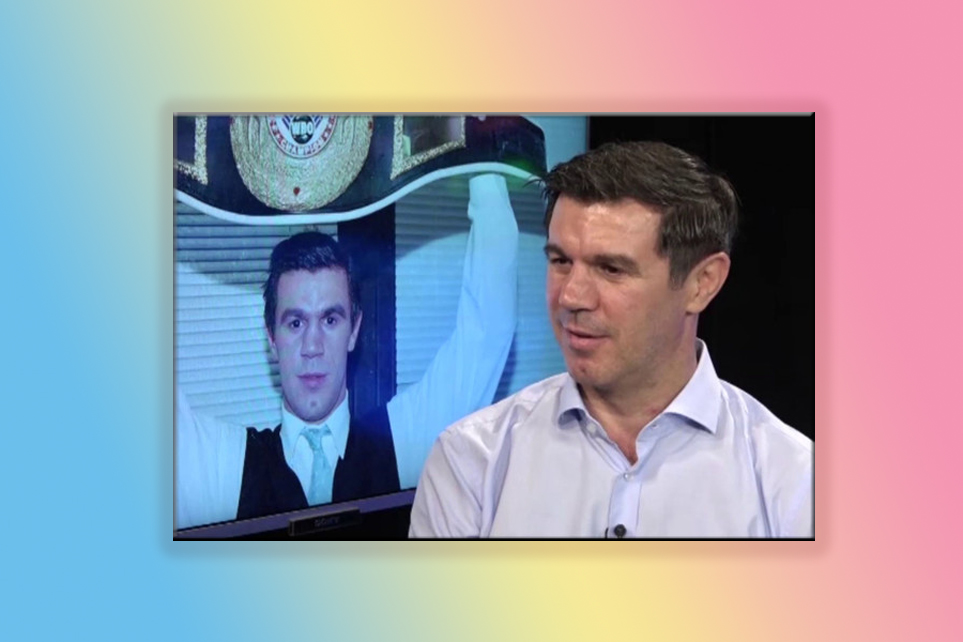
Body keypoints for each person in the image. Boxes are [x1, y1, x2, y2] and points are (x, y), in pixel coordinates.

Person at [409, 141, 813, 538]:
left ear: (701, 283)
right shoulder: (470, 462)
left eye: (611, 269)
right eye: (560, 261)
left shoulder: (794, 484)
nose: (571, 297)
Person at [176, 174, 518, 530]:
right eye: (295, 323)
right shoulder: (224, 468)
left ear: (354, 330)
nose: (312, 347)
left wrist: (483, 161)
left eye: (330, 320)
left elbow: (488, 329)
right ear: (271, 338)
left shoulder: (405, 442)